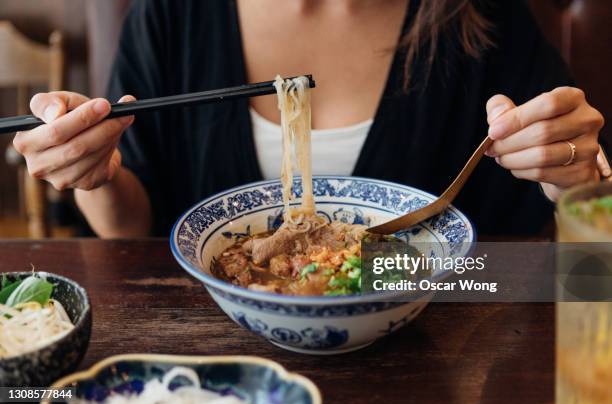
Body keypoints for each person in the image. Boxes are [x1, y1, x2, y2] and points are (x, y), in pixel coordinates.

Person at [12, 0, 608, 237]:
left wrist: (576, 181)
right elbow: (129, 234)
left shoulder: (481, 18)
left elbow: (586, 257)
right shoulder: (175, 12)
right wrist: (96, 171)